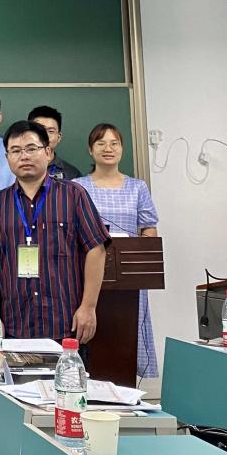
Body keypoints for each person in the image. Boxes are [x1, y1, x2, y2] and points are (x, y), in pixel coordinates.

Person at [0, 121, 109, 343]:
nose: (24, 156)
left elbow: (96, 249)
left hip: (66, 323)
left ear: (47, 152)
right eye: (16, 151)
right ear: (7, 158)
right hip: (14, 324)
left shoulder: (73, 195)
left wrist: (88, 306)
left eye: (31, 148)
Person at [75, 123, 160, 378]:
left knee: (126, 336)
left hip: (128, 277)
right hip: (87, 274)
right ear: (90, 150)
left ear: (122, 149)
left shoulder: (138, 187)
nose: (108, 149)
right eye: (101, 143)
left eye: (114, 143)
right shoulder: (77, 187)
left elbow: (148, 227)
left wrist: (142, 250)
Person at [28, 105, 84, 181]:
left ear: (59, 137)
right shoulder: (15, 168)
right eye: (39, 130)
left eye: (51, 131)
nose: (45, 136)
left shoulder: (72, 174)